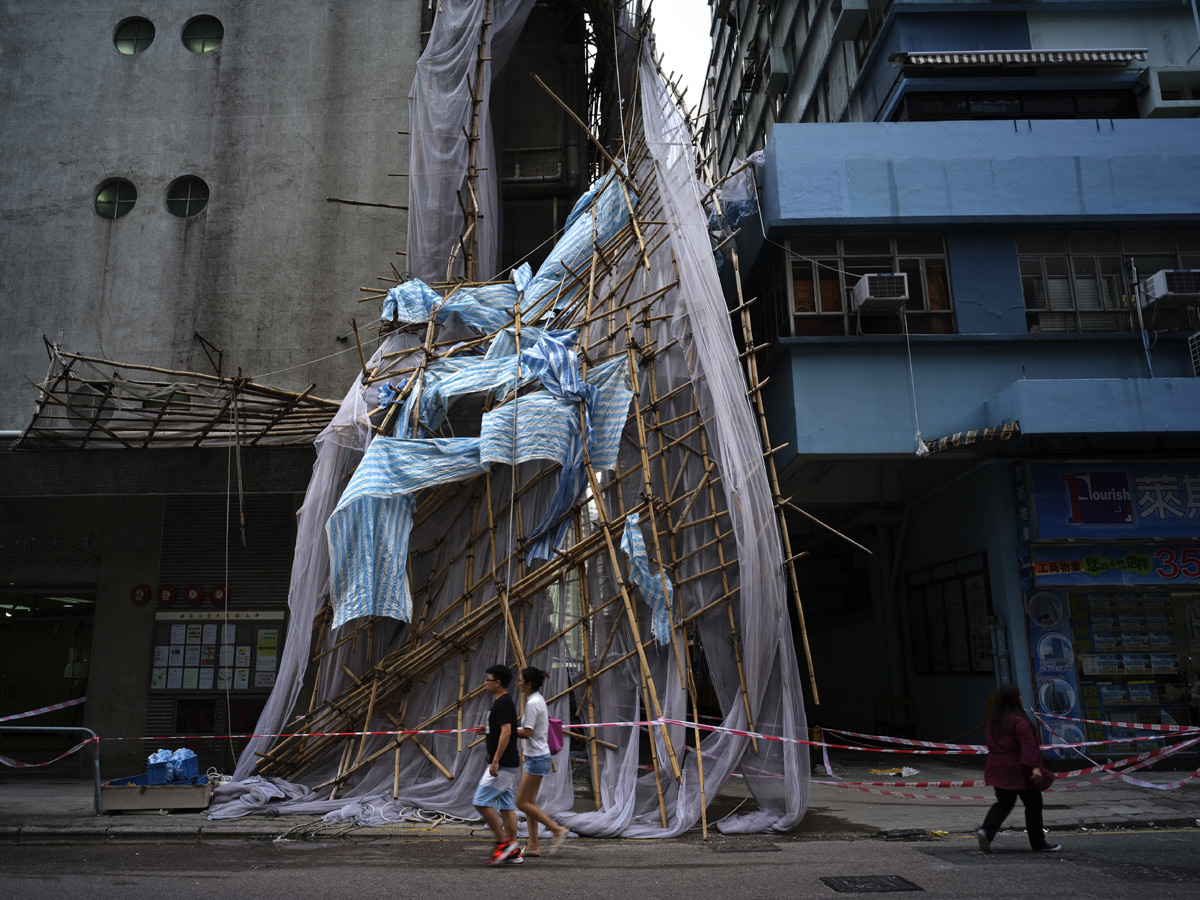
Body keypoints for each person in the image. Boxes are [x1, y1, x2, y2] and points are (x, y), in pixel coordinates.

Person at [976, 684, 1061, 853]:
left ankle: (986, 831)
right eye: (1019, 695)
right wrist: (1035, 767)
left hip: (996, 765)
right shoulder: (1019, 720)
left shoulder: (994, 720)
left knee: (1004, 803)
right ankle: (1038, 843)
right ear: (1014, 699)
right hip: (1018, 767)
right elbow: (1028, 745)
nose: (1022, 697)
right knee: (1034, 804)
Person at [515, 666, 570, 856]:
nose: (518, 683)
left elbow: (528, 732)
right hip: (537, 756)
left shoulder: (532, 703)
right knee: (530, 802)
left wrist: (503, 730)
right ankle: (533, 845)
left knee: (522, 803)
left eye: (521, 680)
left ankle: (556, 829)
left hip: (537, 757)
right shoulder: (537, 700)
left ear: (529, 684)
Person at [473, 665, 523, 866]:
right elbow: (501, 728)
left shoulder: (503, 702)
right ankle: (513, 851)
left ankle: (503, 843)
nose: (485, 683)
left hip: (502, 764)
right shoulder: (502, 702)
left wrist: (495, 760)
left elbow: (507, 732)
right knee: (506, 806)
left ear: (498, 683)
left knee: (480, 802)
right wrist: (487, 729)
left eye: (488, 679)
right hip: (506, 762)